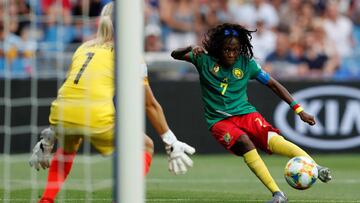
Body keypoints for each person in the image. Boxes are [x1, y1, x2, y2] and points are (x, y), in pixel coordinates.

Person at [28, 2, 195, 203]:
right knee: (145, 146)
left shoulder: (83, 47)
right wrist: (170, 140)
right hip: (96, 116)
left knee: (68, 146)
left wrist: (50, 137)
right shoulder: (129, 55)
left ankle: (46, 199)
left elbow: (74, 93)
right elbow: (149, 104)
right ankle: (129, 197)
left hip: (60, 112)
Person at [171, 23, 332, 203]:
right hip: (219, 120)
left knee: (274, 140)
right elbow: (174, 55)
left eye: (235, 50)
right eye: (227, 50)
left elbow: (273, 84)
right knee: (243, 141)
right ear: (218, 48)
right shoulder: (203, 59)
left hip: (246, 114)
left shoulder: (247, 64)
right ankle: (278, 194)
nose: (231, 54)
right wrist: (189, 47)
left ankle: (315, 167)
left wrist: (299, 110)